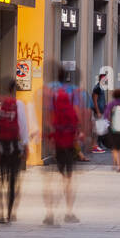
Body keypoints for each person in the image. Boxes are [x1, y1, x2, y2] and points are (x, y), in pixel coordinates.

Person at [43, 66, 81, 224]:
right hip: (69, 141)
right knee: (69, 179)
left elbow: (47, 118)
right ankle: (69, 212)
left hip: (56, 140)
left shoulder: (50, 91)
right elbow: (77, 116)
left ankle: (49, 213)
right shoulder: (73, 92)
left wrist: (50, 137)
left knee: (52, 178)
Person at [0, 78, 30, 222]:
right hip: (15, 148)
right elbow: (23, 126)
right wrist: (25, 145)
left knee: (0, 180)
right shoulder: (19, 105)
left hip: (2, 147)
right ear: (15, 90)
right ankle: (10, 212)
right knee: (13, 181)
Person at [91, 73, 108, 153]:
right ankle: (94, 146)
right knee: (96, 129)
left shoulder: (101, 88)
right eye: (105, 78)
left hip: (101, 111)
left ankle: (96, 145)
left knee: (99, 129)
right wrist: (97, 111)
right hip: (98, 112)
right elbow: (94, 100)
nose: (106, 80)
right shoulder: (97, 88)